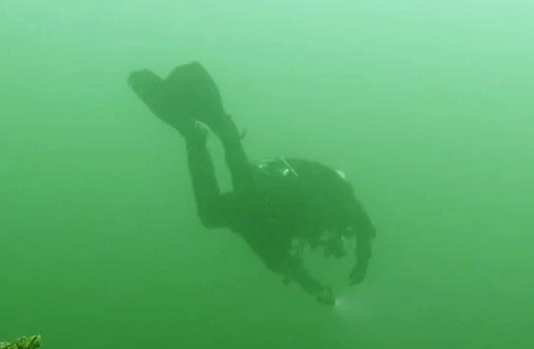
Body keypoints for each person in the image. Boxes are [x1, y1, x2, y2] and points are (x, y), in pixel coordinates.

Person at [127, 62, 375, 307]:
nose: (325, 241)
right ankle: (218, 126)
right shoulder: (336, 200)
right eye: (332, 237)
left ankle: (196, 137)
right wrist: (363, 256)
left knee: (210, 214)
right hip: (268, 191)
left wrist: (314, 288)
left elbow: (278, 256)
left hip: (259, 205)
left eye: (326, 243)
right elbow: (360, 219)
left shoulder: (292, 232)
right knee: (245, 185)